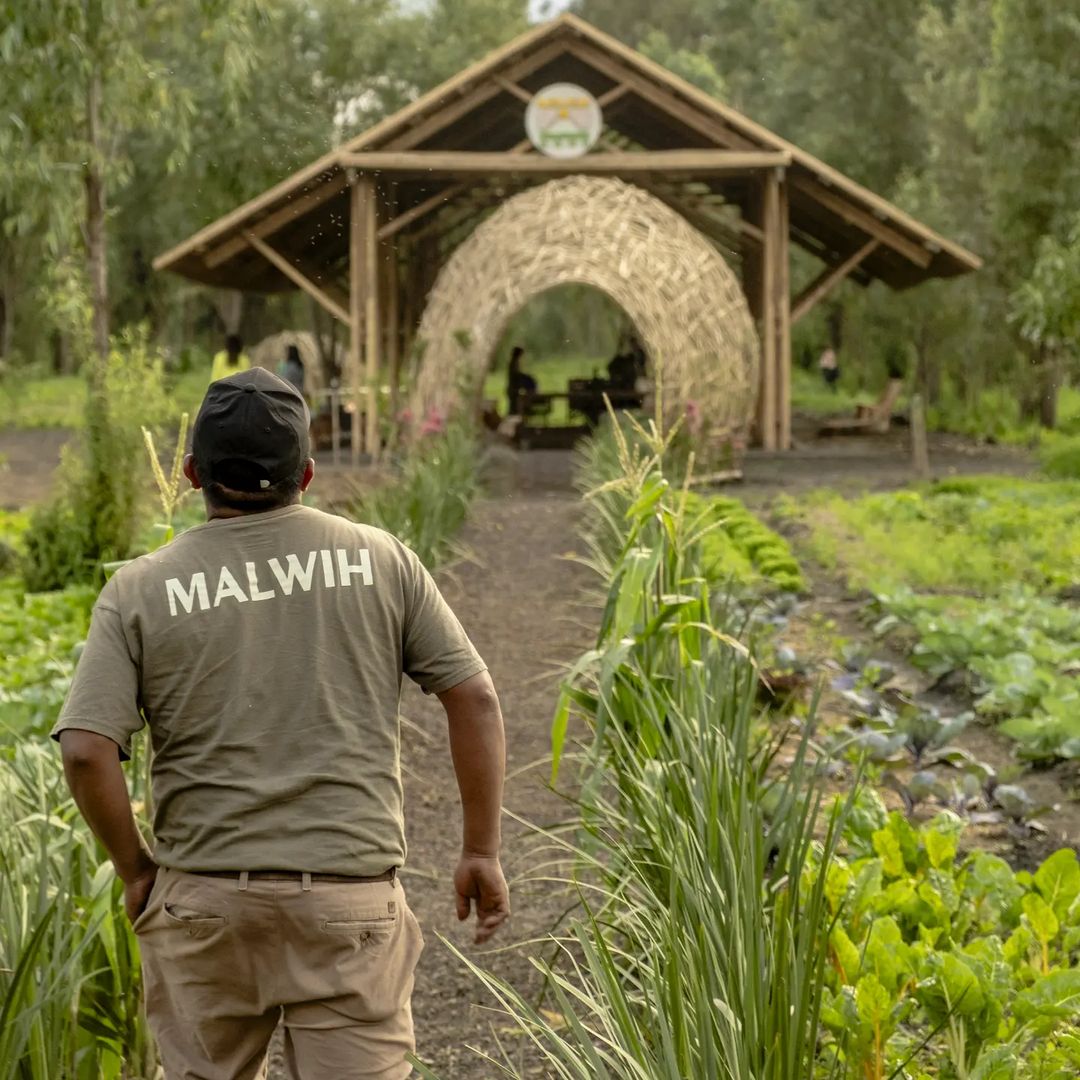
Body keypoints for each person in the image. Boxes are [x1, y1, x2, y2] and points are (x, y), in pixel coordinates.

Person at [53, 368, 509, 1079]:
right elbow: (474, 696)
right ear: (308, 473)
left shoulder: (139, 589)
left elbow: (85, 751)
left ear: (191, 472)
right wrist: (479, 849)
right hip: (347, 904)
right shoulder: (383, 561)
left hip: (203, 906)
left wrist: (137, 869)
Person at [506, 344, 537, 415]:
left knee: (514, 407)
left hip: (514, 388)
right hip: (513, 389)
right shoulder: (513, 363)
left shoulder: (514, 362)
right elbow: (516, 375)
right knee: (513, 408)